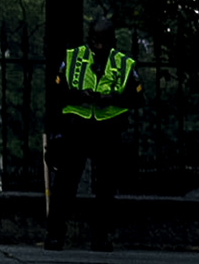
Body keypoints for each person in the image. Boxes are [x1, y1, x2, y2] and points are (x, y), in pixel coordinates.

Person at [44, 16, 144, 252]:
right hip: (77, 125)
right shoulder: (73, 57)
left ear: (112, 41)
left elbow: (138, 98)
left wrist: (110, 99)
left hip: (108, 128)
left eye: (103, 41)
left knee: (106, 186)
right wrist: (81, 96)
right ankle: (55, 234)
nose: (98, 46)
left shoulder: (123, 64)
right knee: (66, 183)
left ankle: (101, 236)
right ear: (88, 38)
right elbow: (57, 91)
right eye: (94, 41)